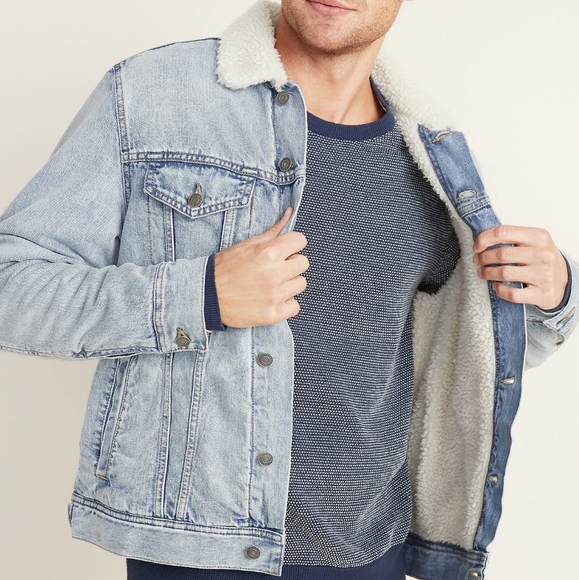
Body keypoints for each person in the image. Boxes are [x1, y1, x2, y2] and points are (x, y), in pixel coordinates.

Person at [0, 1, 577, 579]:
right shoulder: (153, 95)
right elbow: (12, 287)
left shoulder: (433, 155)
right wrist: (200, 295)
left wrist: (555, 294)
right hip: (200, 552)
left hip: (371, 555)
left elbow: (469, 356)